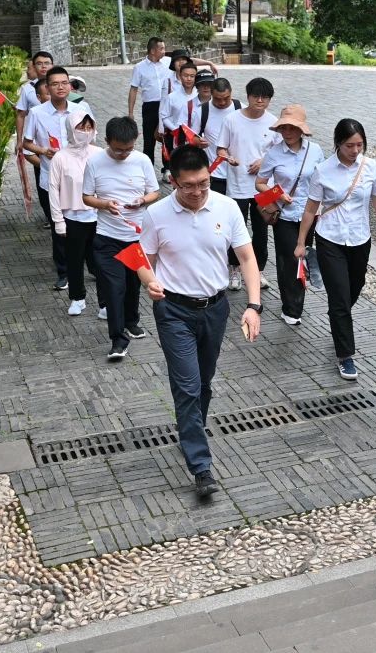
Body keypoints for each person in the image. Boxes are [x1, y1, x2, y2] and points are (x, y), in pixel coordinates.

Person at [138, 145, 262, 498]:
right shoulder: (157, 214)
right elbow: (143, 258)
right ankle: (200, 466)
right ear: (173, 181)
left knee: (204, 382)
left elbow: (247, 258)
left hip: (215, 309)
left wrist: (253, 305)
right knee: (188, 386)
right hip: (173, 311)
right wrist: (149, 281)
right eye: (189, 185)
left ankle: (191, 428)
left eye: (203, 183)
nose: (197, 191)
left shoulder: (227, 207)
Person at [294, 118, 376, 381]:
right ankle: (345, 354)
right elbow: (311, 209)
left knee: (353, 289)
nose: (355, 150)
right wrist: (301, 243)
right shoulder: (323, 170)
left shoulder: (370, 167)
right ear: (338, 143)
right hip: (330, 239)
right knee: (339, 299)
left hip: (360, 239)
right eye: (349, 145)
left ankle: (339, 318)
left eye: (359, 145)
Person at [82, 117, 161, 361]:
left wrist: (142, 200)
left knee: (133, 284)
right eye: (118, 149)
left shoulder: (142, 160)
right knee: (114, 288)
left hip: (136, 238)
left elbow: (155, 192)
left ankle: (131, 321)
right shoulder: (94, 162)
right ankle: (118, 340)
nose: (124, 154)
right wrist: (105, 204)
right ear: (107, 141)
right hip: (107, 238)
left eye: (128, 149)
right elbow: (86, 197)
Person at [23, 66, 93, 290]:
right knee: (59, 227)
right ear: (47, 87)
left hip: (80, 178)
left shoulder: (81, 108)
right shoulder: (37, 113)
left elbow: (91, 137)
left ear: (70, 85)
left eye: (64, 83)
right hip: (51, 178)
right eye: (55, 84)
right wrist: (44, 151)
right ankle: (64, 273)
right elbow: (26, 143)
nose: (61, 87)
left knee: (87, 223)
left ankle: (92, 266)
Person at [255, 104, 324, 326]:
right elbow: (260, 184)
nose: (287, 132)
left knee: (302, 258)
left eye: (292, 128)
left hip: (309, 215)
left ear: (302, 129)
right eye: (284, 127)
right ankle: (291, 308)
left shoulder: (315, 151)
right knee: (289, 260)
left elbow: (322, 180)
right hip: (284, 216)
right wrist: (279, 193)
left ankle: (296, 300)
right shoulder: (274, 153)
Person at [216, 77, 281, 291]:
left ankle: (258, 271)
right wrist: (228, 158)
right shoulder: (232, 120)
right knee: (237, 229)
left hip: (264, 187)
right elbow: (221, 148)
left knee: (262, 231)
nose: (260, 101)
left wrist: (264, 161)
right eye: (256, 96)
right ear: (248, 96)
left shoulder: (274, 123)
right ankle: (235, 269)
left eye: (265, 97)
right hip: (237, 185)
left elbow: (280, 152)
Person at [48, 110, 106, 318]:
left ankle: (105, 303)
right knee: (74, 260)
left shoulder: (99, 153)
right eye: (81, 128)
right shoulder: (60, 157)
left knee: (100, 262)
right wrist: (58, 221)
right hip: (72, 218)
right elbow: (53, 190)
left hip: (98, 217)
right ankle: (77, 298)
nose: (85, 132)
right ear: (71, 129)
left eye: (89, 128)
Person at [16, 51, 54, 221]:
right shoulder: (28, 89)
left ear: (52, 65)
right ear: (34, 66)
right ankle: (48, 215)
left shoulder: (61, 83)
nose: (43, 66)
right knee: (42, 177)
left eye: (47, 63)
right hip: (38, 143)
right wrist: (19, 140)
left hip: (59, 140)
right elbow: (20, 114)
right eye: (39, 63)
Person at [129, 37, 170, 168]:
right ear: (152, 50)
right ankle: (148, 168)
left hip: (167, 105)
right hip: (150, 106)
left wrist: (209, 63)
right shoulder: (139, 67)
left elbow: (186, 61)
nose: (164, 51)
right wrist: (130, 112)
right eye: (161, 48)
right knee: (149, 139)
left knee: (167, 137)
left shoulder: (168, 62)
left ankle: (167, 169)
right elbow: (133, 89)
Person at [200, 78, 242, 195]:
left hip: (239, 173)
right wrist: (198, 142)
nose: (222, 102)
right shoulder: (202, 111)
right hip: (215, 172)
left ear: (231, 93)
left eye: (226, 98)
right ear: (211, 94)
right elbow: (192, 136)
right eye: (217, 99)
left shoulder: (241, 109)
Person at [158, 61, 200, 164]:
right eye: (185, 75)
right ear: (180, 76)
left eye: (192, 76)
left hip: (197, 136)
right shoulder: (172, 97)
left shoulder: (199, 96)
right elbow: (164, 116)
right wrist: (175, 129)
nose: (189, 79)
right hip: (176, 136)